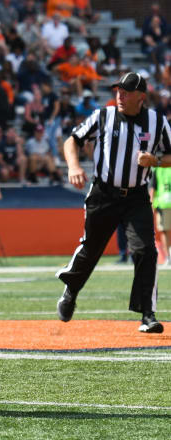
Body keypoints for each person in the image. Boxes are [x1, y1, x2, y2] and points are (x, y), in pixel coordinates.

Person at [56, 72, 171, 334]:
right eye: (118, 91)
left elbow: (170, 155)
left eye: (126, 92)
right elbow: (72, 141)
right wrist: (73, 166)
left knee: (145, 251)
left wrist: (154, 160)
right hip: (103, 193)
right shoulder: (103, 116)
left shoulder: (157, 121)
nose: (120, 96)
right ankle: (71, 290)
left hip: (137, 196)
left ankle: (147, 314)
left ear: (141, 97)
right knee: (91, 250)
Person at [151, 165, 171, 265]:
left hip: (163, 203)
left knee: (165, 231)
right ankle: (168, 256)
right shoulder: (157, 169)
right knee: (164, 231)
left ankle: (168, 255)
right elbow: (153, 187)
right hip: (162, 204)